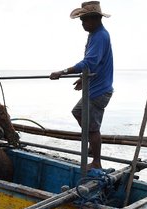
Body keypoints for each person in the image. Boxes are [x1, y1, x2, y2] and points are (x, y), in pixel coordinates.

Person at [50, 1, 113, 170]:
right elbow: (95, 65)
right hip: (95, 86)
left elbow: (89, 63)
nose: (82, 24)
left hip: (99, 91)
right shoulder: (94, 34)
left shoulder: (100, 36)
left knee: (92, 128)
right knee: (78, 112)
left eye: (84, 21)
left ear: (94, 19)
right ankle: (93, 145)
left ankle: (97, 162)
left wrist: (62, 72)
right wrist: (83, 79)